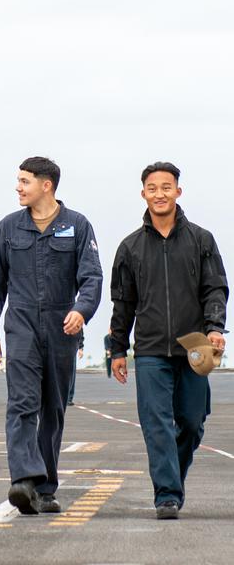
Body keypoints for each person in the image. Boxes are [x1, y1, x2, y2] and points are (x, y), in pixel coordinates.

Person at [0, 157, 102, 515]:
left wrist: (81, 310)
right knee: (22, 402)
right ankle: (22, 479)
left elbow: (92, 277)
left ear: (46, 185)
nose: (18, 187)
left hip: (62, 325)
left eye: (24, 182)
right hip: (20, 323)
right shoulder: (8, 228)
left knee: (53, 406)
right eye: (18, 181)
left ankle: (45, 487)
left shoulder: (77, 226)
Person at [109, 162, 228, 520]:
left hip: (194, 345)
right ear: (143, 193)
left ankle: (171, 477)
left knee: (192, 422)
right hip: (148, 350)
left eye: (166, 187)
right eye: (152, 188)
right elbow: (123, 302)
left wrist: (215, 327)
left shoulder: (201, 240)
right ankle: (167, 494)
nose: (159, 194)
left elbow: (215, 288)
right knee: (156, 421)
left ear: (178, 191)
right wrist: (116, 348)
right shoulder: (129, 247)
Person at [68, 331, 85, 406]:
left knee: (71, 373)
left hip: (71, 345)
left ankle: (69, 398)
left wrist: (81, 347)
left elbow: (79, 330)